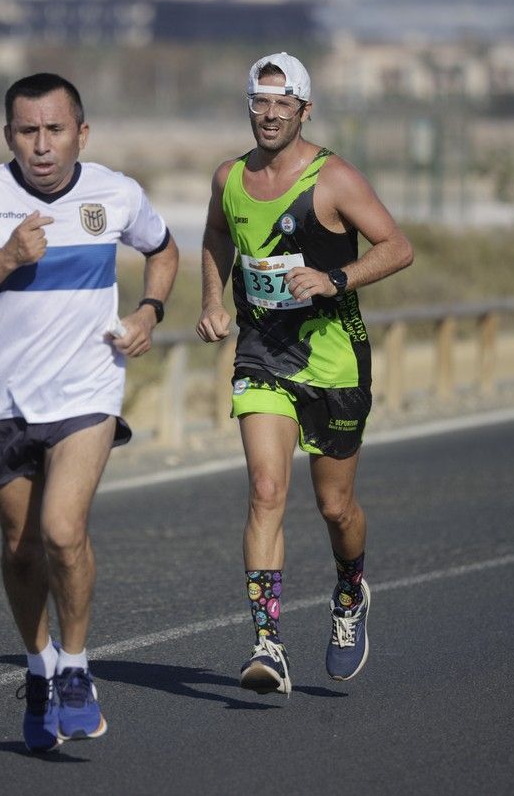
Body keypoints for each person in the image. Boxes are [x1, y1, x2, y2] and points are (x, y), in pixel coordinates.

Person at [0, 73, 178, 751]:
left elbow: (162, 249)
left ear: (81, 132)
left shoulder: (115, 192)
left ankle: (75, 667)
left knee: (63, 529)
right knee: (21, 547)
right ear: (8, 135)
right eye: (26, 131)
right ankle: (38, 665)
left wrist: (149, 311)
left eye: (54, 130)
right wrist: (7, 258)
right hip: (3, 395)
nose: (41, 146)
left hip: (87, 388)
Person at [195, 52, 413, 696]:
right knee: (266, 489)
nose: (268, 115)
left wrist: (333, 278)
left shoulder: (334, 178)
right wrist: (211, 299)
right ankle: (268, 643)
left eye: (281, 104)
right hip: (262, 350)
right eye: (259, 103)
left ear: (303, 109)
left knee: (334, 505)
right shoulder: (229, 178)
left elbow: (397, 247)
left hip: (334, 357)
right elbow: (215, 235)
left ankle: (350, 592)